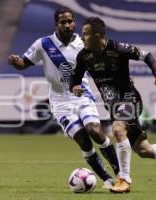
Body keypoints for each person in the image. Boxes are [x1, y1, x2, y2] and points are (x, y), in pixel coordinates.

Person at [70, 17, 156, 193]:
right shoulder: (84, 55)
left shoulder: (119, 49)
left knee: (118, 129)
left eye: (85, 34)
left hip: (129, 99)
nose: (82, 37)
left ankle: (124, 179)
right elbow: (75, 78)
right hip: (112, 106)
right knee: (143, 149)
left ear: (98, 36)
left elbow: (146, 55)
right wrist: (74, 87)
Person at [8, 7, 120, 188]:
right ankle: (107, 179)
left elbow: (103, 63)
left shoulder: (85, 43)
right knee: (83, 141)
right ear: (56, 24)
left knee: (94, 130)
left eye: (70, 21)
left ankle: (120, 174)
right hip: (60, 102)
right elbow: (24, 63)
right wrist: (16, 62)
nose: (68, 25)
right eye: (63, 22)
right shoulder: (43, 44)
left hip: (82, 95)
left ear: (74, 22)